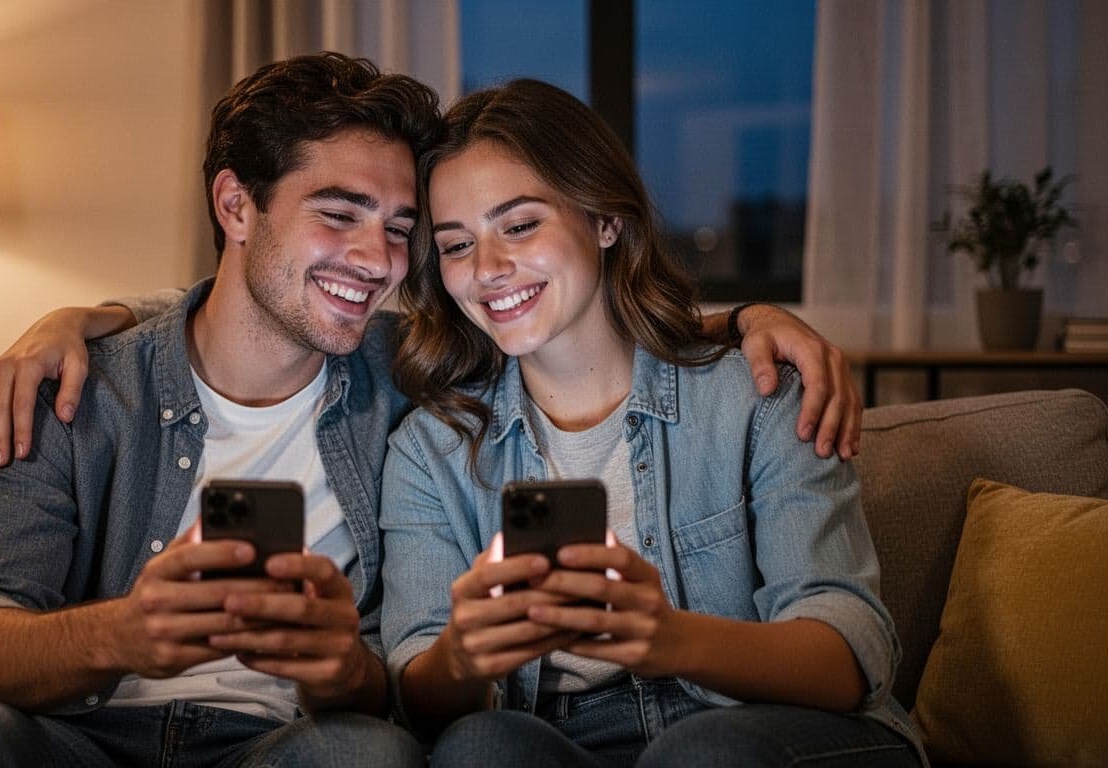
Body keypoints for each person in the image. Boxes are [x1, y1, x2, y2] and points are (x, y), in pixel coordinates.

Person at [0, 52, 440, 767]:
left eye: (397, 228)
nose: (378, 260)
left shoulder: (411, 381)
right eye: (339, 214)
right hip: (78, 740)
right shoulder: (69, 389)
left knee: (368, 756)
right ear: (236, 206)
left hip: (280, 745)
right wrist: (122, 634)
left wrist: (344, 671)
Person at [377, 79, 925, 767]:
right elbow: (413, 690)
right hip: (560, 736)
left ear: (605, 220)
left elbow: (852, 651)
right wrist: (459, 657)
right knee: (478, 747)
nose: (487, 269)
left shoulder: (755, 396)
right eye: (457, 246)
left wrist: (670, 640)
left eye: (519, 226)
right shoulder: (431, 450)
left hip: (753, 721)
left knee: (705, 753)